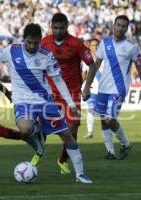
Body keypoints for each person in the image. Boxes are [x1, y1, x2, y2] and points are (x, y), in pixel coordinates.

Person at [0, 23, 93, 183]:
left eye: (36, 42)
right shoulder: (12, 50)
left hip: (45, 101)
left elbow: (58, 80)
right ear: (24, 40)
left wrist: (71, 104)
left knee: (66, 135)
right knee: (25, 128)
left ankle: (80, 174)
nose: (32, 46)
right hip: (22, 101)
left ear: (40, 41)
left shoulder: (46, 55)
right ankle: (37, 134)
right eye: (29, 42)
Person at [33, 13, 97, 174]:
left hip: (72, 92)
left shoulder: (76, 44)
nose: (58, 31)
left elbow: (92, 65)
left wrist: (87, 87)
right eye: (55, 27)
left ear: (67, 26)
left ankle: (62, 160)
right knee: (41, 126)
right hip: (50, 93)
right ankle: (38, 154)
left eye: (61, 28)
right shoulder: (44, 43)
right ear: (51, 26)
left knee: (72, 128)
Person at [94, 15, 141, 160]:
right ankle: (110, 152)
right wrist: (87, 86)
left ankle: (125, 143)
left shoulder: (132, 45)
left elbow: (140, 68)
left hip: (119, 89)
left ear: (127, 28)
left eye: (123, 26)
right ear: (114, 25)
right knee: (102, 119)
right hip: (103, 88)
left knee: (109, 120)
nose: (120, 28)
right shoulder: (104, 43)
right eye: (118, 25)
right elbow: (96, 65)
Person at [82, 38, 102, 139]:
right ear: (89, 47)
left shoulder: (103, 58)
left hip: (102, 87)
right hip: (91, 87)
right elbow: (84, 74)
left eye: (97, 45)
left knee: (101, 111)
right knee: (89, 109)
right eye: (93, 45)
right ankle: (90, 132)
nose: (95, 47)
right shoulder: (87, 59)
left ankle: (108, 131)